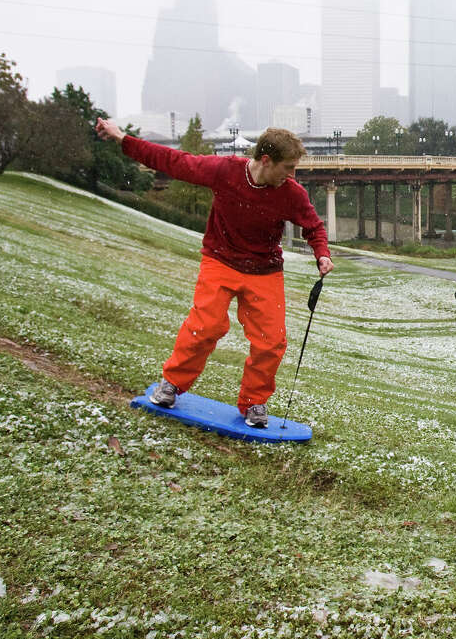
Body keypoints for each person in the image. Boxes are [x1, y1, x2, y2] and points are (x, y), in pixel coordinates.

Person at [95, 118, 334, 427]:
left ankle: (254, 404)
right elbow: (173, 161)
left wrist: (322, 254)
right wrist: (122, 138)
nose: (293, 174)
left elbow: (313, 226)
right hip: (220, 261)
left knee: (271, 341)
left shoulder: (291, 193)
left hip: (265, 271)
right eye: (288, 167)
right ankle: (171, 385)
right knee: (205, 326)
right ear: (265, 160)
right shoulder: (225, 171)